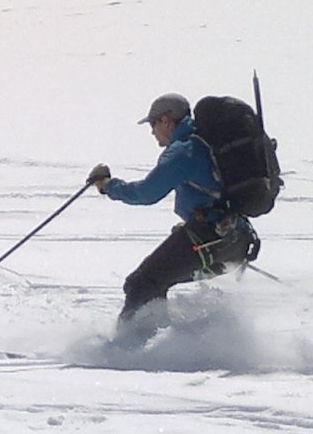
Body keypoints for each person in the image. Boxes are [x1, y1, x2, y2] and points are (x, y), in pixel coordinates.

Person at [90, 92, 258, 322]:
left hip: (209, 238)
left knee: (142, 283)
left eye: (153, 124)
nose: (152, 132)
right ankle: (171, 337)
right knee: (158, 280)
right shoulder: (203, 145)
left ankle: (130, 341)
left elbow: (146, 193)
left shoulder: (184, 150)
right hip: (236, 239)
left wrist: (108, 186)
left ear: (166, 120)